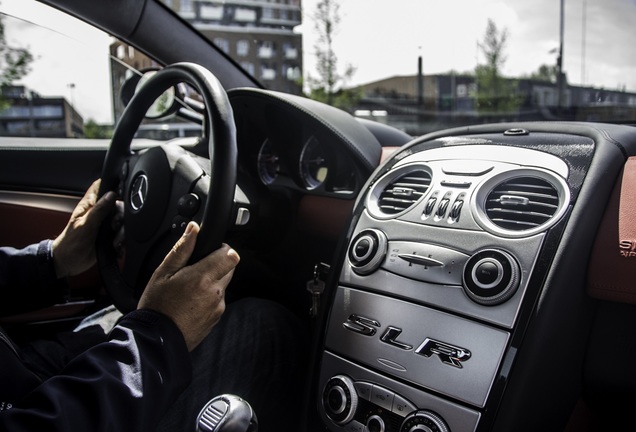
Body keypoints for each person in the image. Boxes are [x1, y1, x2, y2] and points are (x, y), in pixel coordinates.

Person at [0, 180, 306, 431]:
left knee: (121, 313)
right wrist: (156, 337)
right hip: (36, 411)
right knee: (266, 328)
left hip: (17, 369)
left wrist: (52, 260)